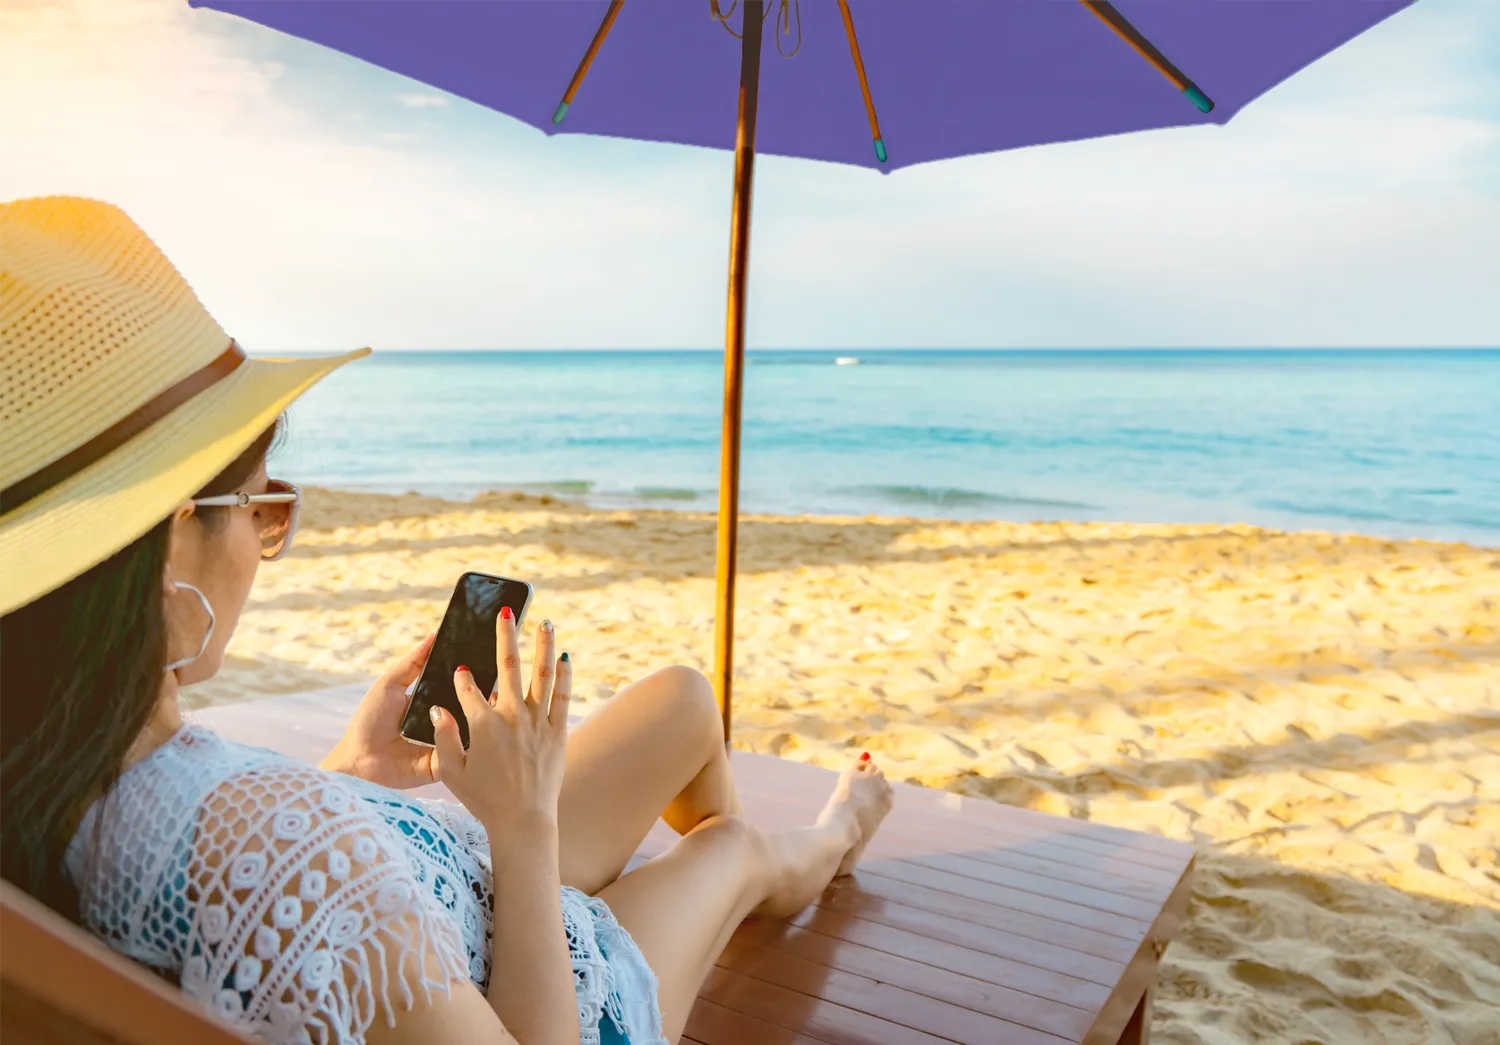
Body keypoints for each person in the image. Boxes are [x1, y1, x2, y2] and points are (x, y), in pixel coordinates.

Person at [0, 197, 893, 1045]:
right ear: (167, 544)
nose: (268, 536)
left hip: (436, 885)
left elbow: (267, 900)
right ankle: (837, 832)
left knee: (685, 703)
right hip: (544, 972)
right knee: (731, 846)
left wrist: (354, 773)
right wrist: (525, 820)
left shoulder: (59, 773)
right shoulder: (278, 846)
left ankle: (755, 875)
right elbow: (294, 890)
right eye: (261, 505)